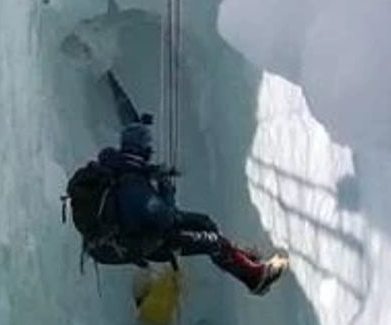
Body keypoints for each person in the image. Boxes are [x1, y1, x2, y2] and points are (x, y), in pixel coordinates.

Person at [67, 113, 288, 296]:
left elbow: (134, 184)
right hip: (142, 239)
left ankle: (240, 256)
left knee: (205, 223)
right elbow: (166, 217)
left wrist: (151, 174)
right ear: (144, 151)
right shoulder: (136, 189)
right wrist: (166, 189)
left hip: (122, 236)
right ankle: (256, 277)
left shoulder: (115, 170)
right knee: (211, 241)